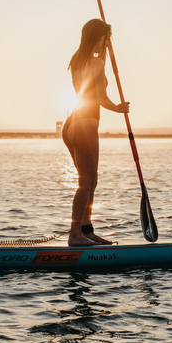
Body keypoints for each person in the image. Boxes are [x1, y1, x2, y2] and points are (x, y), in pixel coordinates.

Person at [62, 18, 130, 246]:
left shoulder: (77, 59)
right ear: (96, 38)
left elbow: (96, 67)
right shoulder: (96, 64)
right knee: (86, 181)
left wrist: (105, 50)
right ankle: (74, 235)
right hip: (86, 124)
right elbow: (101, 98)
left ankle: (86, 231)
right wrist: (118, 108)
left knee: (91, 181)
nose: (106, 43)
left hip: (72, 124)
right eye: (104, 39)